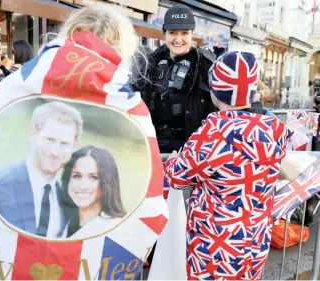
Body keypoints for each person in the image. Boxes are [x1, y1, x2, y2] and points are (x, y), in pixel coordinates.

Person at [164, 51, 292, 280]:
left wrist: (174, 158)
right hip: (255, 240)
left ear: (215, 91)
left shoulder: (213, 135)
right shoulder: (274, 131)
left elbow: (176, 175)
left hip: (214, 245)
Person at [0, 101, 83, 238]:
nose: (55, 152)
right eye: (50, 140)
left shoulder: (68, 197)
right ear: (33, 134)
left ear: (74, 145)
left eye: (64, 143)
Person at [131, 4, 216, 153]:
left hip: (190, 149)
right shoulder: (150, 61)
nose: (178, 39)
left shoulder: (205, 64)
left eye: (184, 33)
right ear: (164, 34)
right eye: (172, 33)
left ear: (191, 34)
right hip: (152, 145)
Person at [59, 145, 126, 239]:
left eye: (93, 177)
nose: (83, 186)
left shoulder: (117, 229)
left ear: (107, 183)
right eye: (77, 176)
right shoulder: (59, 223)